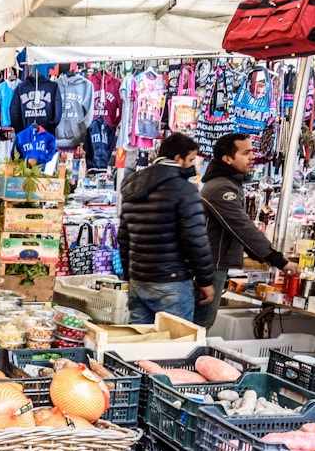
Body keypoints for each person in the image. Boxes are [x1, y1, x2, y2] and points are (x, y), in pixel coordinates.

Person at [196, 133, 301, 328]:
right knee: (200, 325)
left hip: (213, 264)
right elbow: (242, 228)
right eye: (246, 153)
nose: (252, 157)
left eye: (252, 151)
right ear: (227, 159)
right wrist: (277, 259)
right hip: (210, 266)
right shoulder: (221, 188)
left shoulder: (228, 184)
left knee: (201, 324)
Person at [118, 132, 215, 324]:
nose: (193, 166)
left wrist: (130, 276)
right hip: (172, 282)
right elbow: (195, 239)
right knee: (174, 340)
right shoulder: (185, 190)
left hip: (139, 280)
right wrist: (206, 281)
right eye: (191, 160)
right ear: (178, 159)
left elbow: (124, 239)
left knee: (139, 339)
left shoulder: (132, 187)